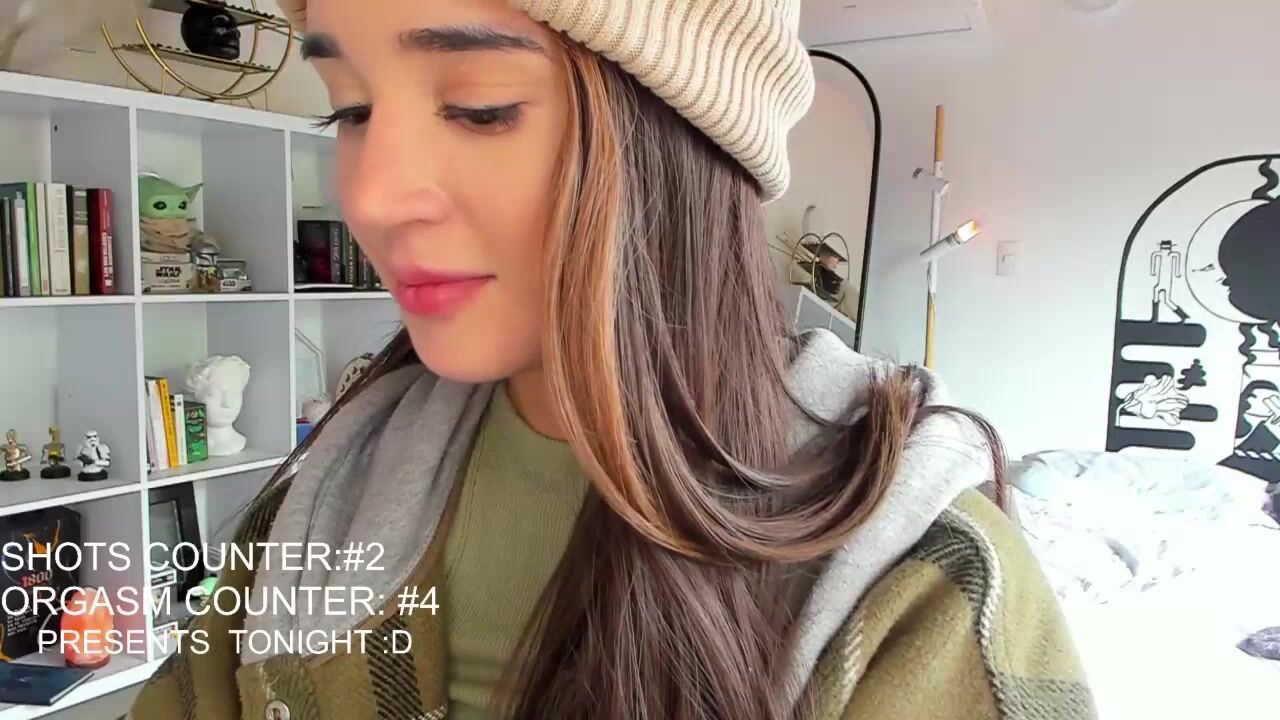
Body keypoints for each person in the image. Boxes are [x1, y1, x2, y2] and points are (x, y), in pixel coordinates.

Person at [126, 1, 1095, 719]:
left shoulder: (914, 578)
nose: (371, 196)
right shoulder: (327, 486)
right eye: (351, 111)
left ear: (681, 134)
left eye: (479, 108)